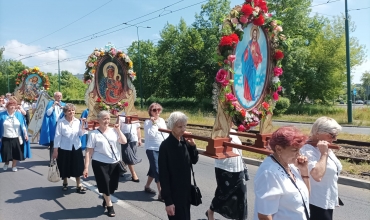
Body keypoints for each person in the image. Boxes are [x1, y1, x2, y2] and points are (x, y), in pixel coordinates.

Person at [254, 126, 310, 220]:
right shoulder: (269, 173)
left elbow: (305, 197)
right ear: (279, 149)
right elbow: (264, 216)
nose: (299, 154)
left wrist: (304, 171)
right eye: (294, 150)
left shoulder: (290, 165)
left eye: (299, 150)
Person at [83, 111, 127, 217]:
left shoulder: (113, 131)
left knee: (112, 186)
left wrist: (118, 129)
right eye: (104, 118)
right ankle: (110, 206)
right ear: (98, 120)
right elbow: (89, 152)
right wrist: (86, 167)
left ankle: (105, 198)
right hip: (100, 163)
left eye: (108, 118)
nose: (106, 121)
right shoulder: (93, 134)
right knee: (105, 184)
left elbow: (124, 141)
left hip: (114, 162)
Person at [300, 117, 343, 220]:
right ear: (318, 132)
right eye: (332, 135)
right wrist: (324, 154)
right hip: (314, 202)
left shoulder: (322, 146)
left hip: (326, 200)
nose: (335, 139)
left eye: (336, 135)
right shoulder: (307, 149)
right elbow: (317, 175)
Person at [158, 111, 199, 220]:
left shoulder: (185, 142)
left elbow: (194, 160)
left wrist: (193, 146)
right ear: (171, 127)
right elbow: (163, 175)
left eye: (185, 126)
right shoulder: (165, 146)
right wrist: (168, 202)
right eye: (180, 126)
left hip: (186, 193)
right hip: (174, 195)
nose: (183, 129)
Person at [206, 128, 248, 220]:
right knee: (223, 195)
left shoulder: (233, 131)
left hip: (238, 167)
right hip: (225, 168)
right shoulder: (219, 130)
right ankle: (210, 211)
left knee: (242, 195)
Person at [52, 103, 87, 192]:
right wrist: (55, 150)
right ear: (65, 112)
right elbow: (57, 136)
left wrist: (83, 125)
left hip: (76, 147)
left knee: (78, 166)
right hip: (64, 147)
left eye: (73, 110)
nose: (71, 112)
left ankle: (79, 184)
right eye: (69, 110)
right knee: (64, 165)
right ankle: (65, 182)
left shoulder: (77, 121)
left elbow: (80, 134)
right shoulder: (61, 122)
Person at [143, 103, 168, 200]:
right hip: (152, 149)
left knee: (153, 169)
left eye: (158, 109)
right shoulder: (147, 122)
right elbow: (151, 135)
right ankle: (161, 194)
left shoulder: (161, 120)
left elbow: (165, 133)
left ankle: (147, 187)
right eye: (154, 110)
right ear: (150, 111)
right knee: (158, 170)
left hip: (161, 148)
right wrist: (153, 123)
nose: (157, 112)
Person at [0, 98, 31, 171]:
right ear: (7, 107)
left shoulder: (18, 115)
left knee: (16, 152)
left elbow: (23, 125)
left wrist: (26, 134)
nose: (12, 107)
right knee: (6, 152)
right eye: (10, 105)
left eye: (14, 105)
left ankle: (14, 166)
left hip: (17, 137)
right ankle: (6, 163)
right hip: (6, 136)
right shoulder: (2, 115)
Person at [115, 112, 142, 181]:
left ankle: (120, 169)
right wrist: (118, 117)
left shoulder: (134, 115)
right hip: (125, 139)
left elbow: (138, 128)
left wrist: (139, 138)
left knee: (128, 156)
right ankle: (134, 174)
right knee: (129, 156)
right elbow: (117, 126)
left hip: (134, 138)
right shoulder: (121, 115)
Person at [39, 92, 65, 161]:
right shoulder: (50, 103)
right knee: (53, 142)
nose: (59, 97)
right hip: (53, 125)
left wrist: (63, 108)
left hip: (61, 125)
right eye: (57, 96)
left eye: (60, 96)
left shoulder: (64, 104)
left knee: (61, 142)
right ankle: (51, 159)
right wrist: (53, 106)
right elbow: (48, 113)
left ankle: (60, 159)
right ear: (54, 97)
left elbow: (67, 114)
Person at [242, 26, 262, 101]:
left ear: (257, 35)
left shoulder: (257, 45)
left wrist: (256, 56)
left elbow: (260, 57)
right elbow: (244, 55)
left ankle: (252, 96)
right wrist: (247, 49)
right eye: (253, 33)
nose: (254, 35)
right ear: (252, 34)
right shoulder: (249, 43)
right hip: (248, 65)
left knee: (252, 81)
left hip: (253, 66)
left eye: (255, 33)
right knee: (246, 80)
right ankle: (247, 96)